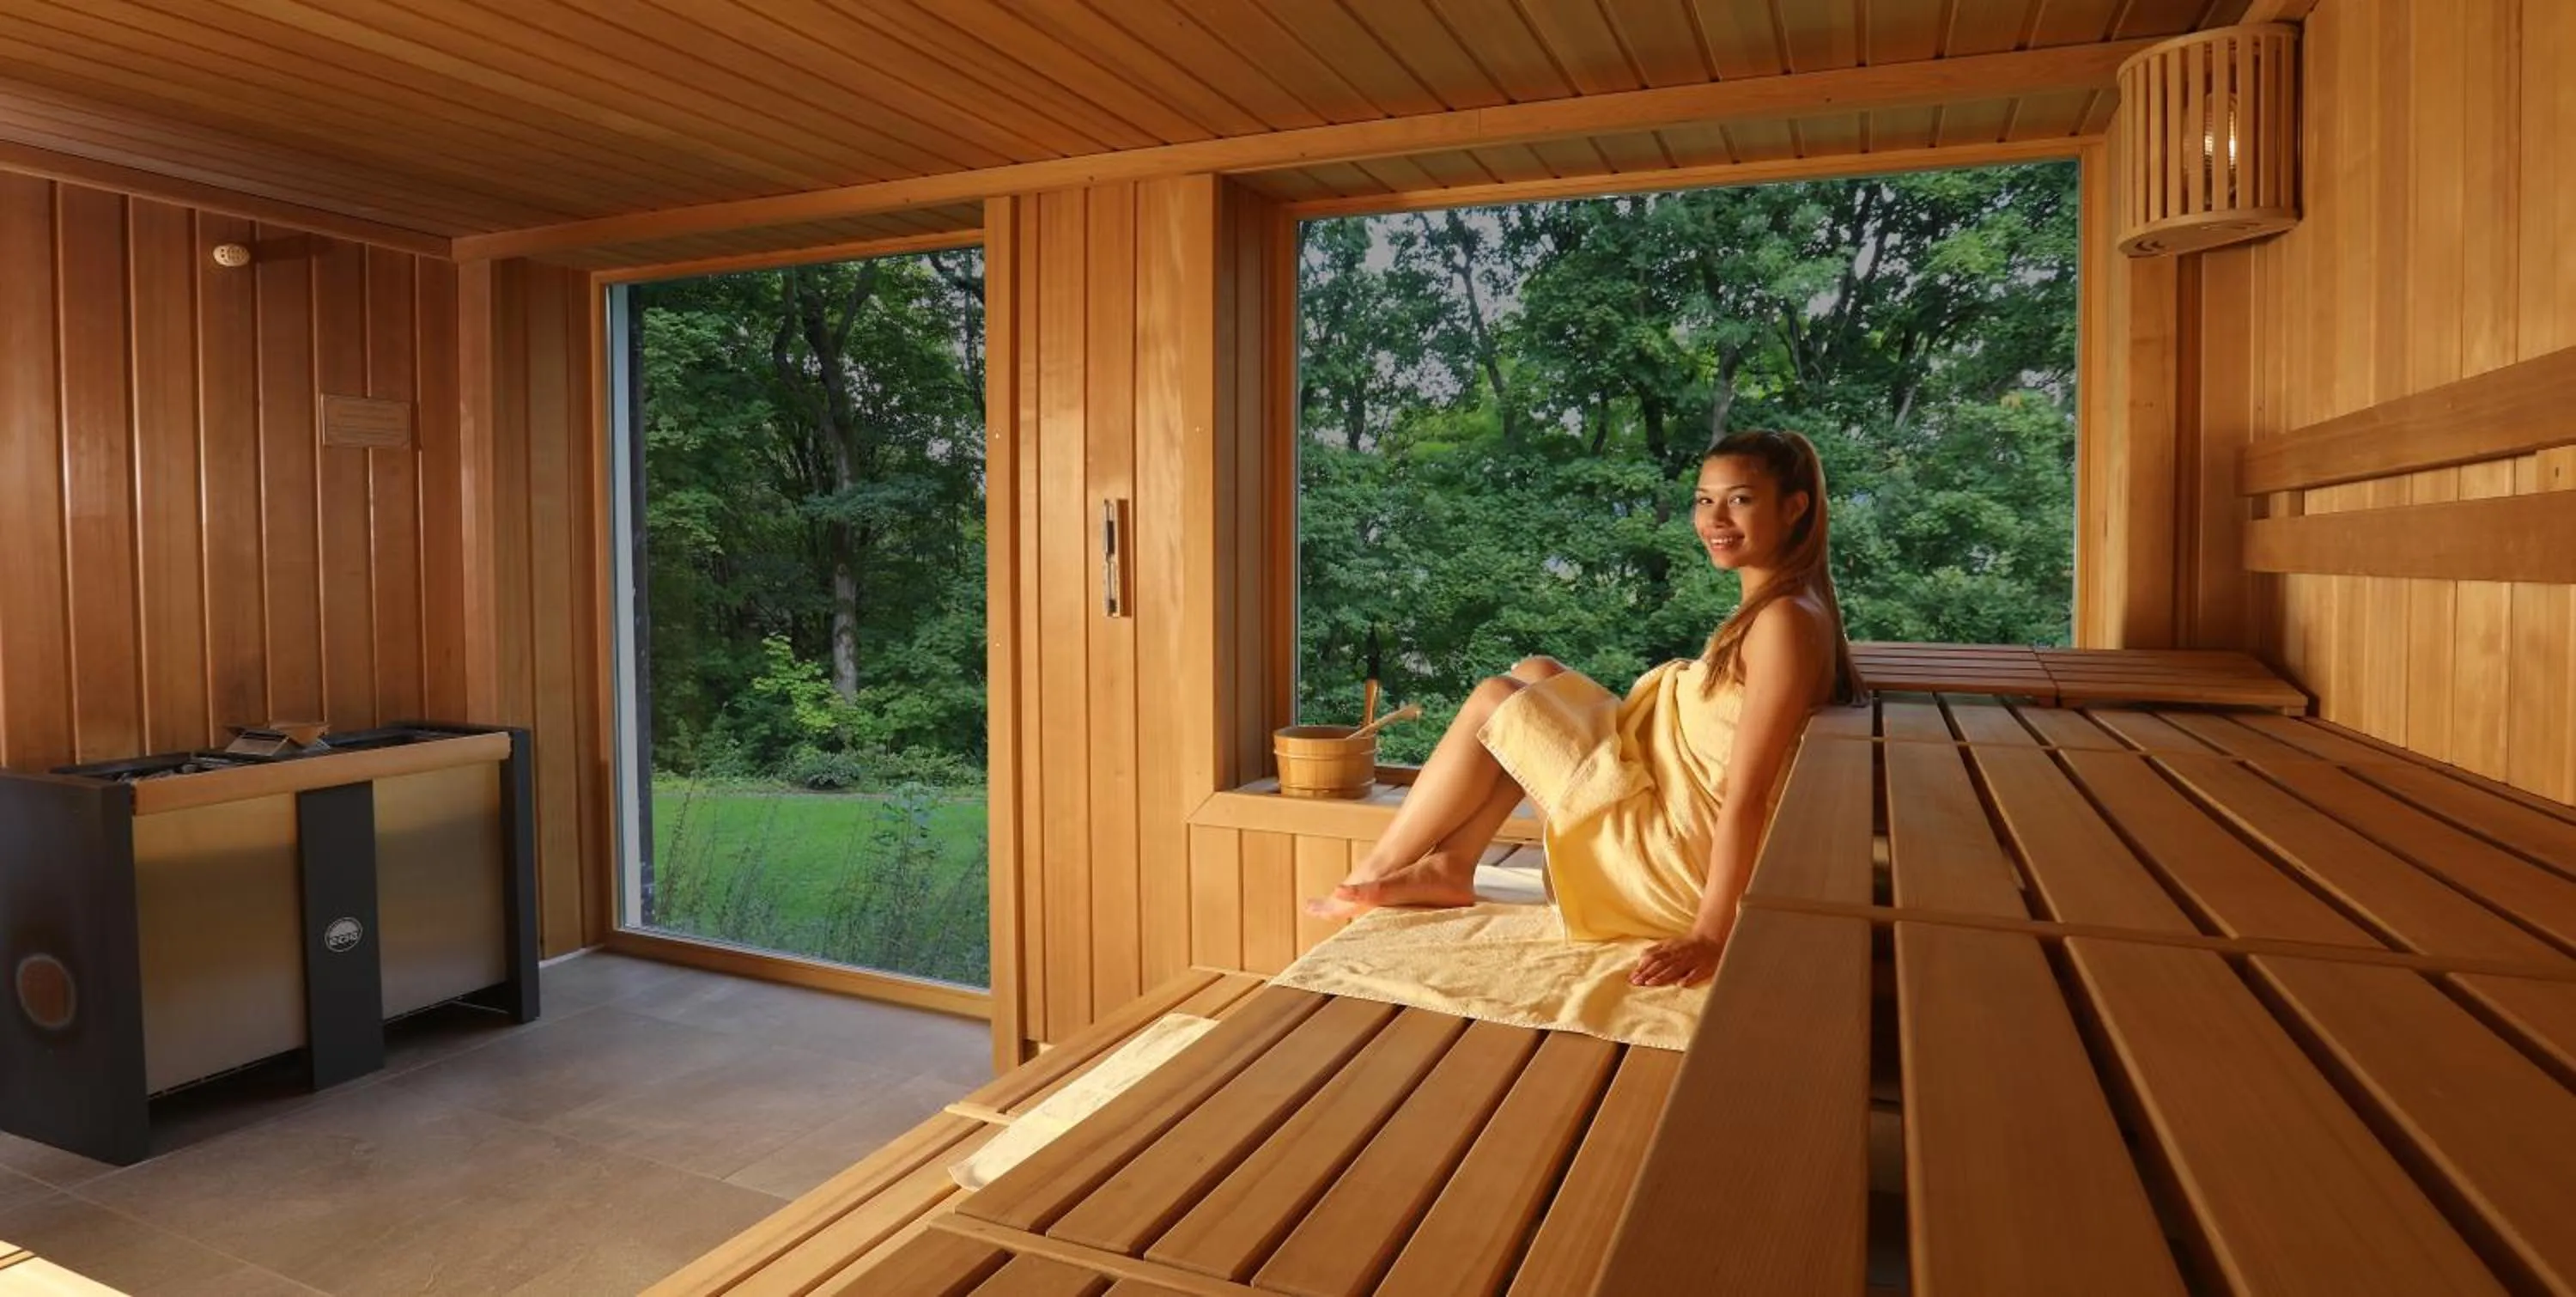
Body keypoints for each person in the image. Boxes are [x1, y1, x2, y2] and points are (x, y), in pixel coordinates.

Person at [1305, 429, 1862, 989]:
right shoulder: (1785, 608)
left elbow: (1746, 795)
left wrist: (1711, 935)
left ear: (1794, 508)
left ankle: (1369, 875)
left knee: (1498, 698)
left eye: (1739, 499)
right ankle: (1453, 864)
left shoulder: (1783, 623)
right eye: (1703, 500)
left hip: (1677, 866)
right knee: (1537, 675)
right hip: (1679, 823)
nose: (1714, 519)